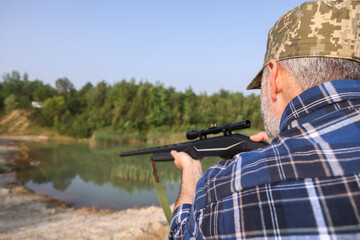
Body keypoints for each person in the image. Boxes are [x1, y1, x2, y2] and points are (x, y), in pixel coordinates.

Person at [169, 0, 360, 239]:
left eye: (264, 82)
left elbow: (181, 235)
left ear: (276, 77)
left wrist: (191, 178)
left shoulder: (226, 185)